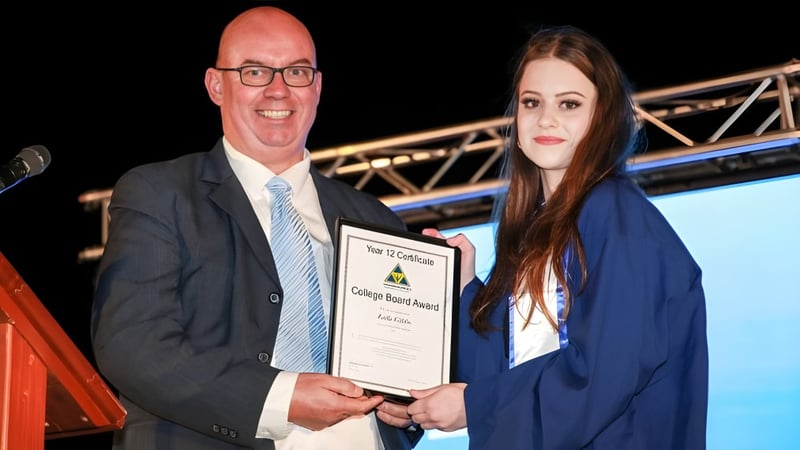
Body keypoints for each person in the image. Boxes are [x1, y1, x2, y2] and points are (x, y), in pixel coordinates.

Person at [90, 6, 421, 449]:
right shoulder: (159, 194)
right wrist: (280, 399)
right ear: (215, 85)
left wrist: (406, 404)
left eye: (297, 72)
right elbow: (133, 343)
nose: (279, 90)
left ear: (317, 87)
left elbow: (406, 366)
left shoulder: (375, 218)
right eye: (254, 72)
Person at [393, 25, 709, 449]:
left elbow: (601, 376)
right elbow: (510, 368)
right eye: (532, 102)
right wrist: (466, 288)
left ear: (603, 116)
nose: (546, 119)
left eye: (570, 104)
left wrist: (476, 405)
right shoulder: (537, 228)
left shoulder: (617, 216)